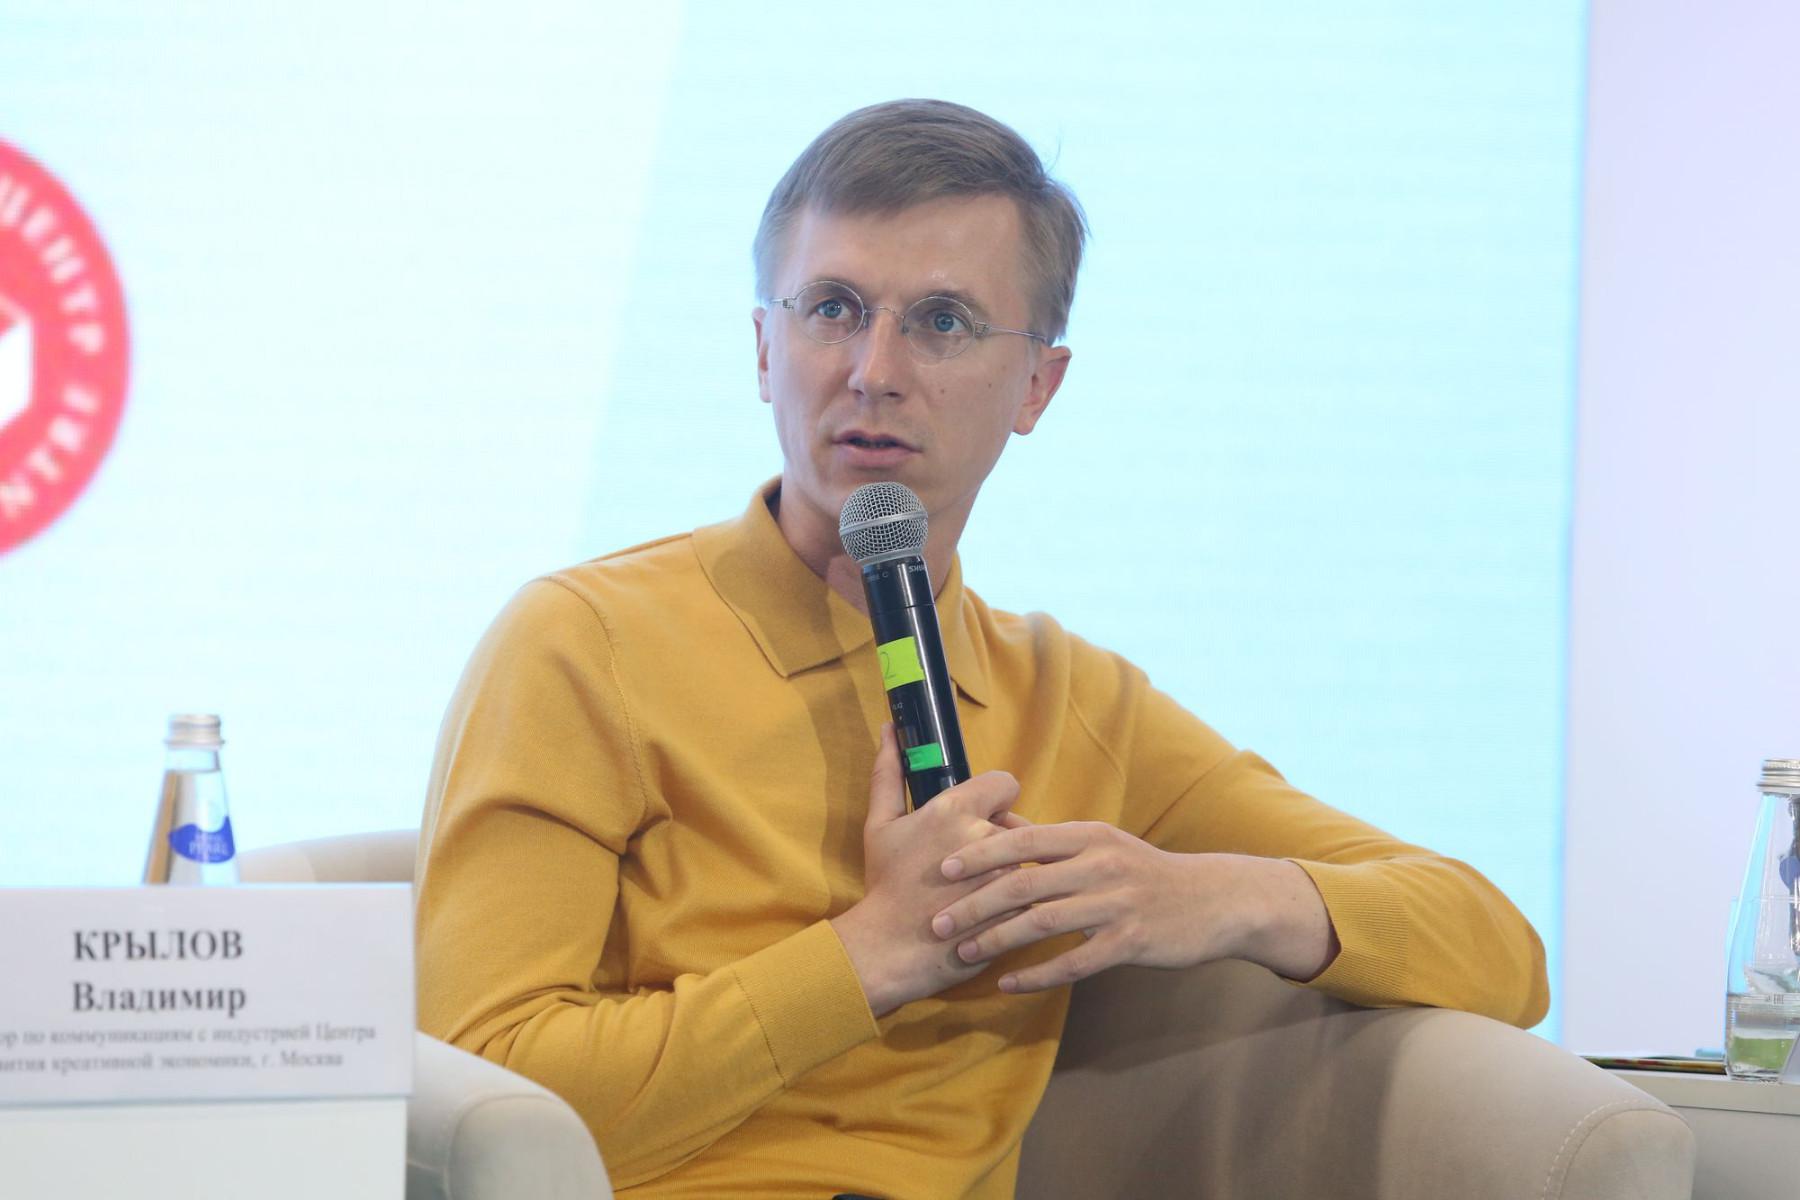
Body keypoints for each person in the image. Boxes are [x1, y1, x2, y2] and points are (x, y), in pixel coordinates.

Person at [415, 99, 1549, 1199]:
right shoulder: (584, 643)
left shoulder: (1069, 698)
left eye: (943, 321)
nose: (873, 369)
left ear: (1037, 386)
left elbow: (1500, 950)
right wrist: (868, 956)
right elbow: (480, 1089)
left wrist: (1216, 895)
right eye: (832, 309)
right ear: (764, 348)